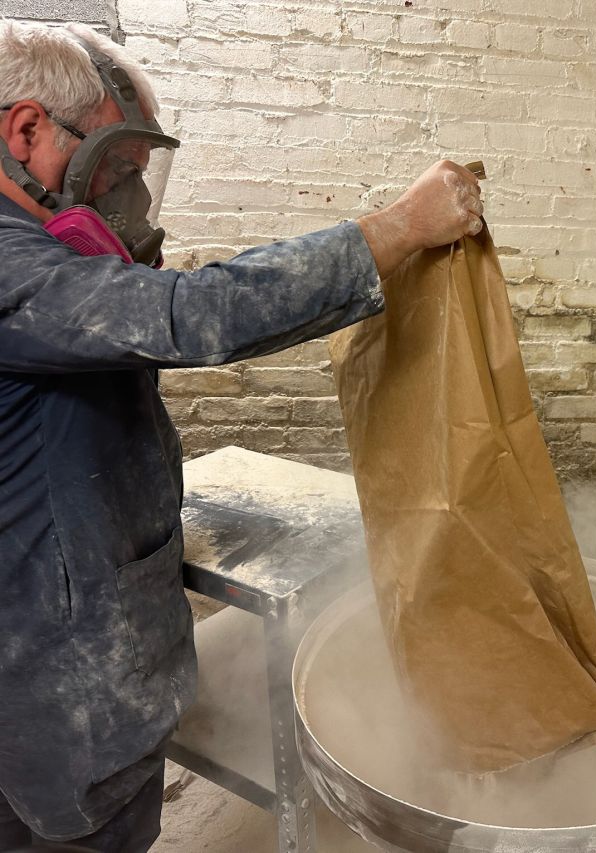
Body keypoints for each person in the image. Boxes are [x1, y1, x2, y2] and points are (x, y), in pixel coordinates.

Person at [0, 18, 484, 853]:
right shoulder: (17, 271)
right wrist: (398, 228)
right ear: (28, 130)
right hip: (57, 698)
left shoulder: (39, 263)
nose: (126, 199)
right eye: (114, 170)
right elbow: (195, 313)